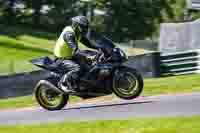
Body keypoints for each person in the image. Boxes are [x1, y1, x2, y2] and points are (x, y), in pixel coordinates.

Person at [53, 16, 98, 93]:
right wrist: (88, 56)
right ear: (76, 25)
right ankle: (63, 83)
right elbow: (76, 50)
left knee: (91, 65)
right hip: (61, 59)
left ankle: (82, 85)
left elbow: (88, 44)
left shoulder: (78, 33)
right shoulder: (69, 34)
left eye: (85, 26)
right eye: (82, 26)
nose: (85, 28)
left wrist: (99, 48)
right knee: (77, 68)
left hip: (70, 56)